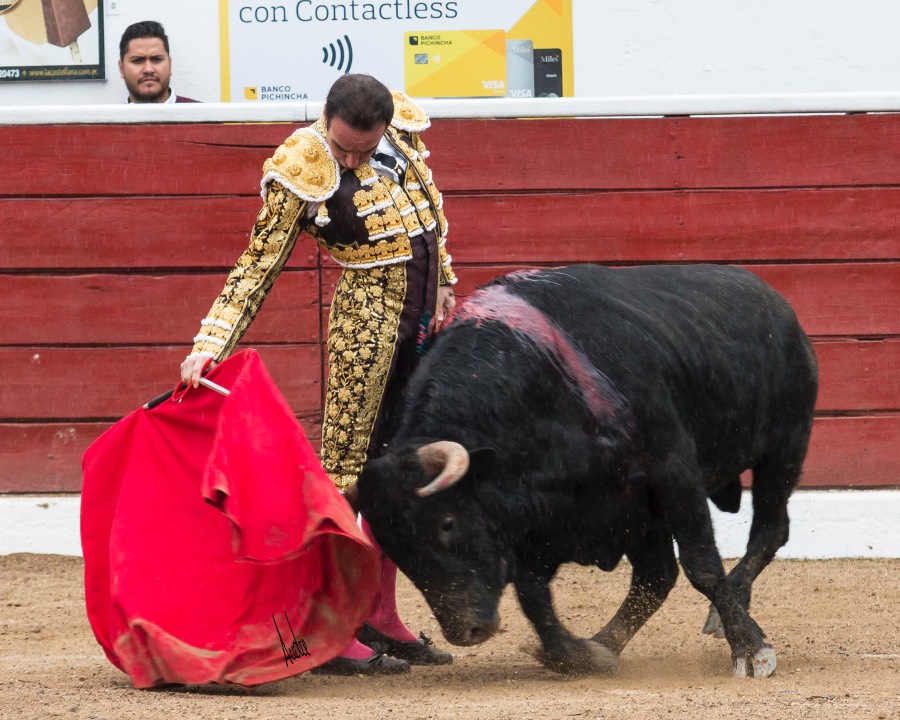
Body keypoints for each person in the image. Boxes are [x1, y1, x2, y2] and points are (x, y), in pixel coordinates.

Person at [180, 74, 457, 675]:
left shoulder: (401, 137)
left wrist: (445, 286)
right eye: (343, 149)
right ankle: (332, 626)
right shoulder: (302, 165)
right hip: (365, 326)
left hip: (421, 326)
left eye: (364, 148)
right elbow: (257, 266)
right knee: (347, 478)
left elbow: (427, 222)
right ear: (325, 120)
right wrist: (210, 343)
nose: (352, 159)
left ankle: (379, 613)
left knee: (396, 470)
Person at [118, 21, 199, 104]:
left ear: (170, 64)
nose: (148, 69)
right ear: (121, 68)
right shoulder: (110, 117)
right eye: (137, 60)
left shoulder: (204, 115)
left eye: (157, 59)